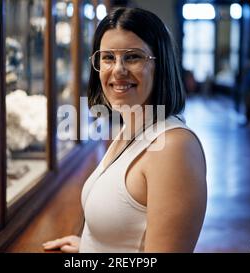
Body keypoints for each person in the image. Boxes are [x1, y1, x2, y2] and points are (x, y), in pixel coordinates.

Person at [43, 7, 207, 253]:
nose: (118, 70)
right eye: (108, 57)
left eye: (132, 57)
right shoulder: (130, 127)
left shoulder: (174, 147)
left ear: (160, 65)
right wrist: (90, 246)